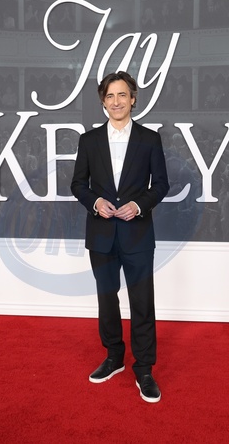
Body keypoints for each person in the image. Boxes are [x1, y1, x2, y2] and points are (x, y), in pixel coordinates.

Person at [70, 71, 170, 403]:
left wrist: (139, 205)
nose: (117, 102)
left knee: (142, 302)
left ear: (133, 99)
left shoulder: (149, 139)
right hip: (101, 235)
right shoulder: (89, 140)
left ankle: (144, 369)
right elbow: (78, 184)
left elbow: (161, 185)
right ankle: (114, 357)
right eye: (110, 96)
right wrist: (95, 202)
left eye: (122, 95)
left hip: (138, 234)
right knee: (107, 300)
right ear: (103, 101)